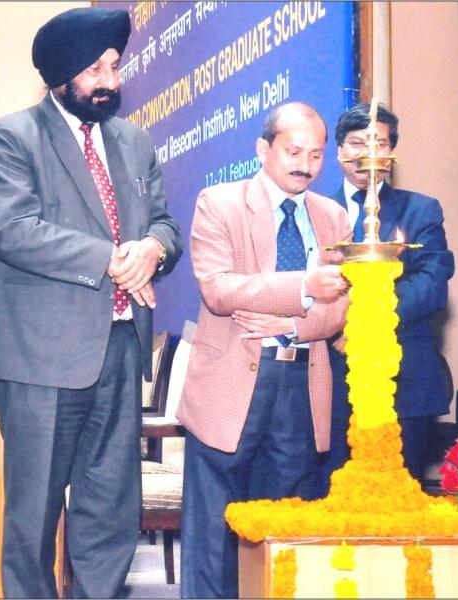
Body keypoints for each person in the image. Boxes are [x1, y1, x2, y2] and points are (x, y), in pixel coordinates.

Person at [0, 7, 182, 598]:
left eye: (114, 66)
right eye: (95, 70)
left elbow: (165, 225)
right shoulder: (11, 136)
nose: (109, 81)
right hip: (41, 361)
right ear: (60, 75)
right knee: (33, 518)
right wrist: (113, 258)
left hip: (120, 350)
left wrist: (153, 248)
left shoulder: (134, 141)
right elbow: (13, 229)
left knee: (111, 510)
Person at [177, 101, 351, 598]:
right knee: (214, 531)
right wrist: (303, 288)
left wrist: (292, 323)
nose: (305, 165)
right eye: (294, 152)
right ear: (263, 149)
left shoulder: (334, 217)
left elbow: (342, 308)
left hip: (301, 382)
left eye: (316, 155)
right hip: (230, 384)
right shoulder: (219, 203)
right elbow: (219, 289)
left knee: (283, 527)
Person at [313, 103, 455, 496]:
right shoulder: (315, 211)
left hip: (403, 381)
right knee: (329, 502)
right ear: (339, 151)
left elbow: (431, 284)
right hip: (331, 379)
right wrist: (338, 323)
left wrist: (365, 325)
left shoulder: (421, 209)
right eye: (357, 143)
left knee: (398, 503)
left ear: (392, 152)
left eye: (379, 143)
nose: (367, 153)